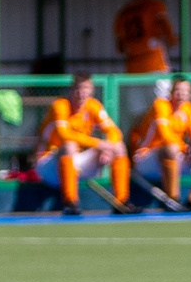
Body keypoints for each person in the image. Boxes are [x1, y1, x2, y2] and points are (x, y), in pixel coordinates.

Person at [38, 72, 130, 214]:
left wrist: (106, 148)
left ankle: (121, 201)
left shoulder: (93, 106)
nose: (81, 93)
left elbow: (115, 132)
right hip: (49, 165)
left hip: (77, 163)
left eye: (86, 88)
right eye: (78, 89)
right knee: (69, 145)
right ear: (71, 90)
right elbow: (64, 134)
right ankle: (70, 202)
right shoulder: (61, 106)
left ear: (91, 90)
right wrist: (99, 144)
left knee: (118, 147)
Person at [131, 77, 191, 210]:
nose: (182, 94)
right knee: (171, 148)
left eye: (186, 91)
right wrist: (185, 148)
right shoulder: (161, 105)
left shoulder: (188, 108)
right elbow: (165, 135)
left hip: (175, 157)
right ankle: (173, 199)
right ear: (171, 91)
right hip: (146, 158)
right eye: (178, 90)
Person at [115, 0, 177, 74]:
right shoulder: (154, 5)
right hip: (154, 63)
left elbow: (120, 46)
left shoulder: (123, 12)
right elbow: (164, 24)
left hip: (133, 66)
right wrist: (172, 40)